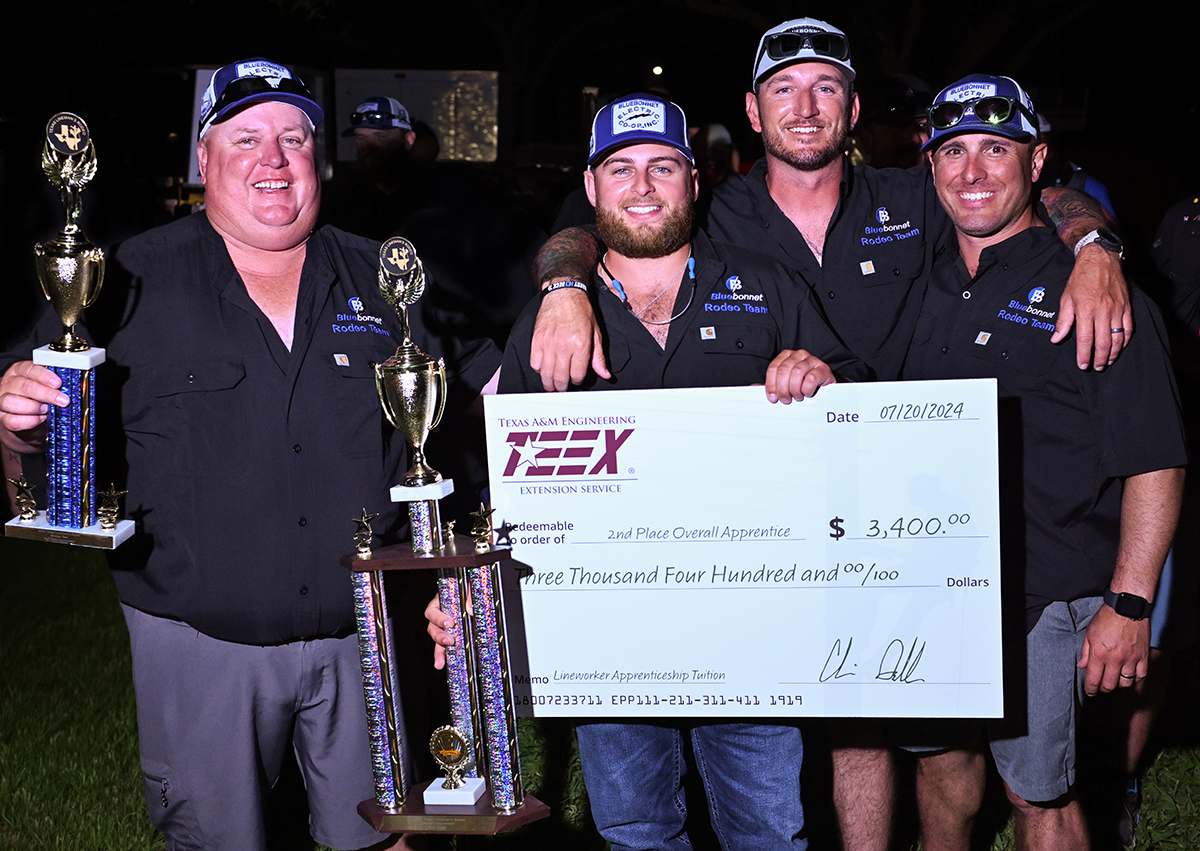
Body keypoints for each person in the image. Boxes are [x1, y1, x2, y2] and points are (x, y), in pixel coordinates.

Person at [524, 18, 1135, 851]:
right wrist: (562, 281)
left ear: (854, 110)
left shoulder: (913, 195)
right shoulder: (719, 212)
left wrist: (1095, 244)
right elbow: (612, 226)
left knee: (904, 737)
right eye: (783, 88)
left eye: (826, 88)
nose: (805, 108)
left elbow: (1028, 190)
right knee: (837, 732)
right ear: (751, 109)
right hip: (766, 530)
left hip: (911, 510)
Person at [0, 58, 500, 851]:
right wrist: (20, 427)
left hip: (361, 638)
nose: (273, 159)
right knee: (215, 840)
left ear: (318, 159)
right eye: (246, 138)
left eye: (293, 137)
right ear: (205, 158)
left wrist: (566, 292)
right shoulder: (126, 279)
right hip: (197, 643)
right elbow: (45, 451)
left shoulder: (384, 277)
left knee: (384, 838)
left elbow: (492, 403)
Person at [436, 92, 870, 851]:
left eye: (663, 166)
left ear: (693, 181)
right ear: (593, 186)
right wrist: (466, 581)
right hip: (609, 638)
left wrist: (824, 377)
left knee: (769, 829)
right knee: (637, 832)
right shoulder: (549, 316)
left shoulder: (766, 284)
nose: (643, 185)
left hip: (751, 628)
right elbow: (510, 477)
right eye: (623, 168)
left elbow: (863, 403)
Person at [881, 73, 1186, 851]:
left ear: (1037, 159)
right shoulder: (924, 284)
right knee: (942, 772)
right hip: (931, 587)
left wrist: (1129, 604)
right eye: (953, 151)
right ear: (931, 165)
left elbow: (1154, 457)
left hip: (1043, 596)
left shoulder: (1099, 292)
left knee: (1036, 792)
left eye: (996, 148)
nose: (972, 170)